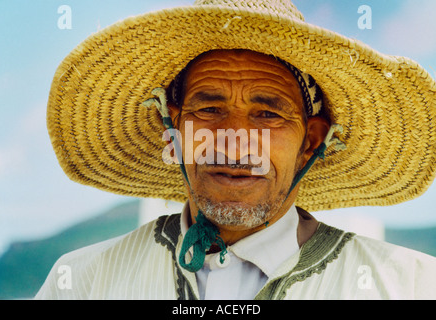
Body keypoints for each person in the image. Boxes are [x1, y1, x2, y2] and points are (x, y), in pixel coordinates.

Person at [36, 0, 436, 299]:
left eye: (267, 114)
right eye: (209, 109)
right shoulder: (82, 282)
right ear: (174, 128)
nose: (234, 141)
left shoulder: (411, 286)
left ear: (311, 141)